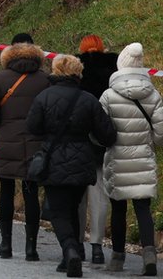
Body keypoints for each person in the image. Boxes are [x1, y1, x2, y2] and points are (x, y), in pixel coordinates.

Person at [27, 54, 116, 278]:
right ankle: (71, 256)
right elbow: (107, 134)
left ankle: (70, 250)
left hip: (54, 160)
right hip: (82, 161)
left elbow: (33, 127)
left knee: (59, 212)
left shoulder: (43, 97)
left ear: (56, 71)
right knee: (74, 208)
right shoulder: (88, 99)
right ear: (78, 72)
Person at [0, 32, 49, 261]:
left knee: (6, 191)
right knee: (31, 194)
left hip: (7, 141)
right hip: (35, 143)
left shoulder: (0, 78)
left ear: (10, 51)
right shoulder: (44, 79)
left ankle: (6, 244)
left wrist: (4, 126)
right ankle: (31, 248)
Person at [99, 42, 163, 275]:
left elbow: (100, 130)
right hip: (143, 158)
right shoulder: (153, 94)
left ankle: (117, 259)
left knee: (118, 209)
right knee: (143, 209)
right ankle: (149, 257)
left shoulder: (108, 95)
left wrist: (105, 143)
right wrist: (150, 142)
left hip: (117, 159)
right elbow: (161, 133)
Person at [75, 34, 118, 264]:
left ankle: (78, 244)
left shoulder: (75, 70)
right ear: (101, 48)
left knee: (79, 197)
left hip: (78, 142)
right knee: (100, 195)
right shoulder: (112, 70)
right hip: (100, 141)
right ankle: (97, 246)